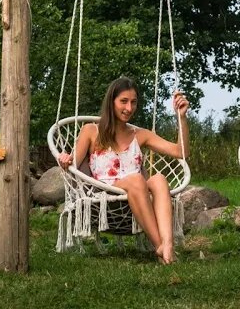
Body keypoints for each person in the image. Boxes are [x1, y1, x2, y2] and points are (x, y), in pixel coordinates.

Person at [57, 76, 190, 264]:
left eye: (133, 102)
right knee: (136, 179)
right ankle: (159, 245)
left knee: (159, 178)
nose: (129, 108)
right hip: (106, 194)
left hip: (138, 192)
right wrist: (65, 158)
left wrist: (181, 118)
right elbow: (72, 164)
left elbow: (181, 152)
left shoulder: (140, 134)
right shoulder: (91, 131)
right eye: (124, 101)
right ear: (112, 102)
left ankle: (166, 246)